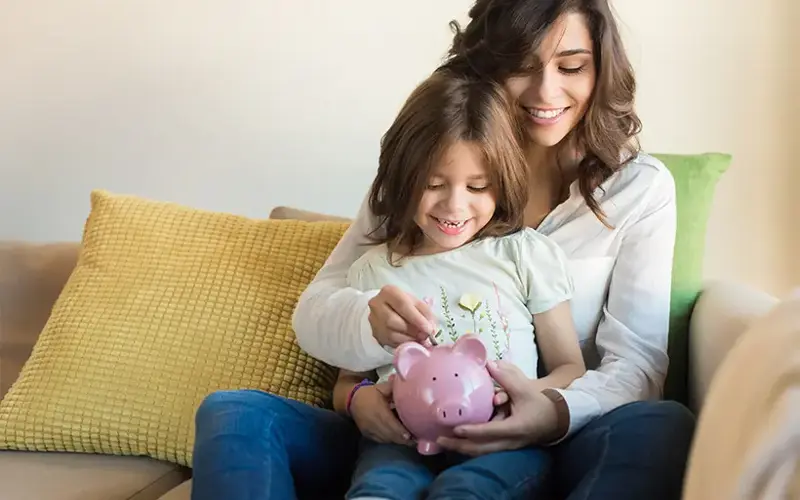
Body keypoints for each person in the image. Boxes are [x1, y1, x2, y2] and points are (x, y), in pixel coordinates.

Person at [192, 1, 696, 499]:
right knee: (234, 413)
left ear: (601, 71)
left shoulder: (640, 190)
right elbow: (318, 312)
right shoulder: (421, 176)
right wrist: (364, 371)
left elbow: (636, 367)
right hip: (400, 437)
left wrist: (553, 412)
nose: (546, 90)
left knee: (661, 424)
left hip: (556, 439)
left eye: (571, 66)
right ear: (487, 64)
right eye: (522, 65)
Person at [334, 69, 586, 500]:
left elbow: (570, 368)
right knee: (377, 490)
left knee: (467, 491)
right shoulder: (371, 271)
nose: (454, 205)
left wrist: (521, 397)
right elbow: (346, 381)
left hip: (502, 441)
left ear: (501, 184)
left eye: (477, 186)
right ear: (401, 179)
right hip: (402, 443)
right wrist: (359, 402)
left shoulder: (524, 254)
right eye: (433, 184)